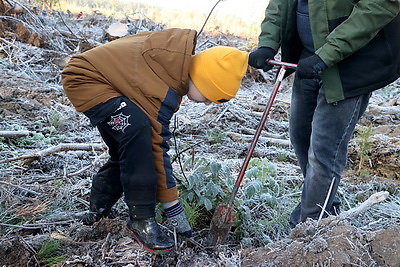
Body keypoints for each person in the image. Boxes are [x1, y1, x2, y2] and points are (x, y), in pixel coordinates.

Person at [61, 28, 248, 253]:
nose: (208, 103)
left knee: (130, 149)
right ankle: (141, 219)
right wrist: (172, 206)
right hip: (85, 80)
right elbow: (156, 146)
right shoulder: (163, 84)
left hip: (101, 81)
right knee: (140, 130)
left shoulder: (173, 62)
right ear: (204, 79)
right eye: (210, 97)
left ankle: (97, 211)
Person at [249, 0, 400, 228]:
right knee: (300, 136)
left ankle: (310, 227)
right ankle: (326, 208)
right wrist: (268, 43)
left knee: (324, 150)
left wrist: (326, 55)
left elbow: (378, 6)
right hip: (309, 61)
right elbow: (280, 4)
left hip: (351, 66)